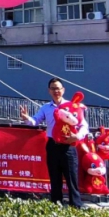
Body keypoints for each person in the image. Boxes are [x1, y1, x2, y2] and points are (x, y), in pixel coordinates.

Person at [19, 78, 87, 209]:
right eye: (53, 88)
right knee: (54, 177)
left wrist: (77, 136)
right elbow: (35, 121)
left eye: (58, 88)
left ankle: (76, 205)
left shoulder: (72, 106)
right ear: (49, 91)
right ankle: (56, 204)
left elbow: (84, 125)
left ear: (63, 90)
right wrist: (27, 118)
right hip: (53, 146)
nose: (56, 91)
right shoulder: (46, 108)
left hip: (69, 146)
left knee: (71, 176)